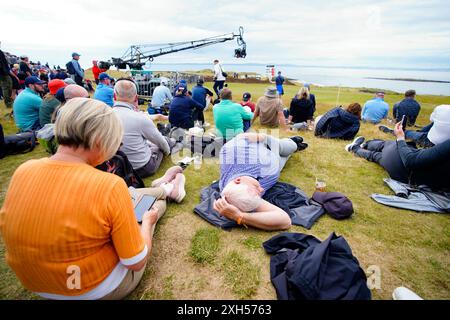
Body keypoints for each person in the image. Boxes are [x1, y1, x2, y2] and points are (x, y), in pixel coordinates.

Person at [0, 97, 187, 300]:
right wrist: (148, 224)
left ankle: (163, 187)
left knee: (136, 196)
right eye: (115, 142)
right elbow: (136, 261)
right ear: (100, 140)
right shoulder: (108, 184)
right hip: (92, 288)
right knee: (155, 206)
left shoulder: (24, 170)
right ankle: (166, 192)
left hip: (34, 282)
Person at [214, 132, 308, 230]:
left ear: (238, 180)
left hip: (266, 146)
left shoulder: (232, 152)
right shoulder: (240, 197)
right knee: (285, 156)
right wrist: (239, 216)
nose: (262, 190)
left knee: (289, 147)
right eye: (259, 195)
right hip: (274, 164)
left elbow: (240, 138)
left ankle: (292, 142)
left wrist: (261, 137)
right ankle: (294, 146)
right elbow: (285, 221)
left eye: (256, 189)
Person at [345, 122, 450, 191]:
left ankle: (359, 146)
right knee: (379, 156)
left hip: (408, 171)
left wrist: (400, 137)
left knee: (388, 146)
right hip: (422, 181)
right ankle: (357, 148)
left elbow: (411, 161)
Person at [113, 79, 173, 179]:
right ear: (136, 98)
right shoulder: (140, 118)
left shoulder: (105, 116)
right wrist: (167, 152)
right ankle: (173, 142)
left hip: (117, 167)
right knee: (161, 143)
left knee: (151, 142)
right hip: (141, 168)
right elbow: (161, 143)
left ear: (114, 96)